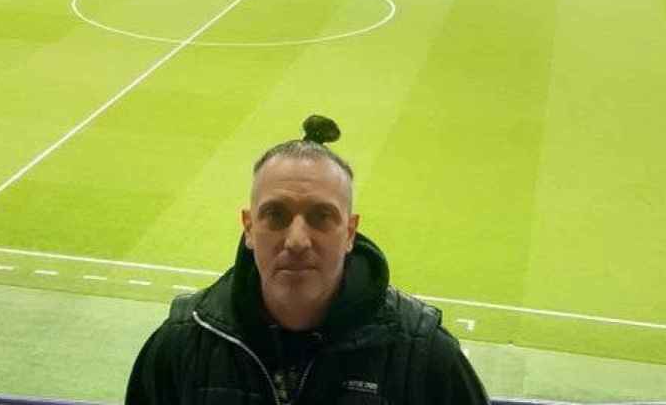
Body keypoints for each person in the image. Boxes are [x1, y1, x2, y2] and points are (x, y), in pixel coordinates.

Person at [126, 115, 489, 404]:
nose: (297, 240)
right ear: (249, 228)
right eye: (276, 215)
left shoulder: (425, 357)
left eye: (320, 217)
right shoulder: (180, 346)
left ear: (349, 232)